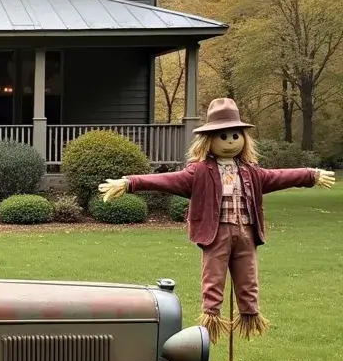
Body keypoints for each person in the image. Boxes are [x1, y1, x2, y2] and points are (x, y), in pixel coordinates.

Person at [98, 98, 335, 339]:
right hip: (216, 233)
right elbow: (167, 179)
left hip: (246, 232)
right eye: (223, 137)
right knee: (213, 277)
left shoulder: (251, 170)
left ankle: (249, 314)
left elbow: (278, 177)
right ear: (208, 140)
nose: (230, 142)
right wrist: (131, 183)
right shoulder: (199, 171)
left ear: (244, 138)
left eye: (235, 136)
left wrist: (309, 175)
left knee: (248, 277)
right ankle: (211, 317)